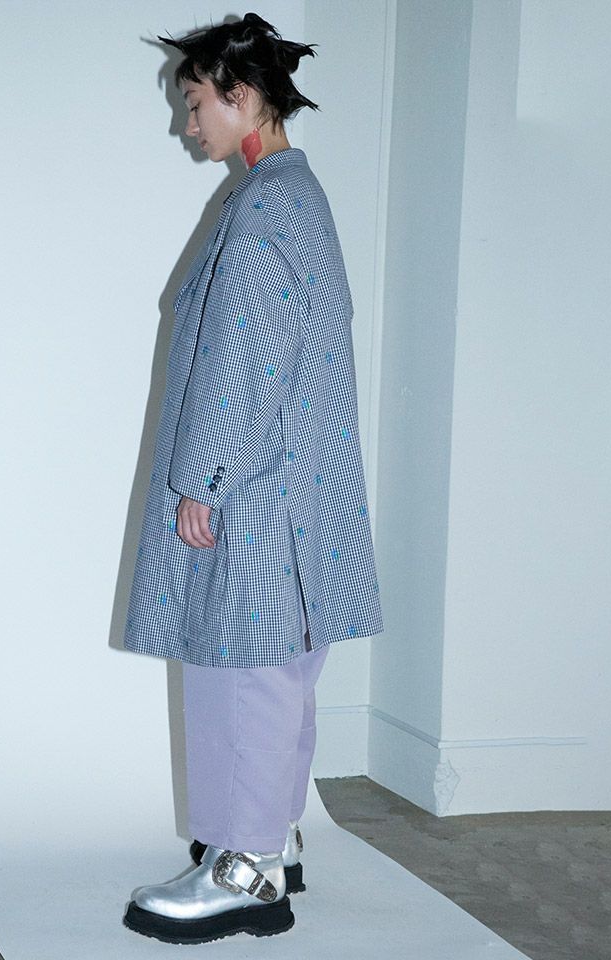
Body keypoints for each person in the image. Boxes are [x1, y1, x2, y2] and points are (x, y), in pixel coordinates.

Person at [123, 12, 383, 944]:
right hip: (289, 490)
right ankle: (270, 840)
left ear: (241, 96)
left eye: (196, 104)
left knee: (241, 674)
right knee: (278, 676)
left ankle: (246, 871)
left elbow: (249, 358)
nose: (187, 124)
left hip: (258, 491)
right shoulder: (290, 195)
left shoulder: (270, 205)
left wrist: (205, 480)